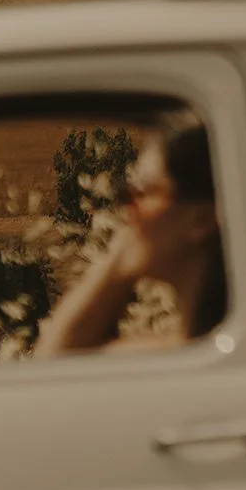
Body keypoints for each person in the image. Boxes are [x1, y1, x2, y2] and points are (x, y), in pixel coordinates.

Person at [38, 122, 227, 355]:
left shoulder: (195, 353)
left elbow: (58, 359)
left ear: (201, 219)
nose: (125, 211)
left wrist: (118, 264)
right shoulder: (217, 344)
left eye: (140, 193)